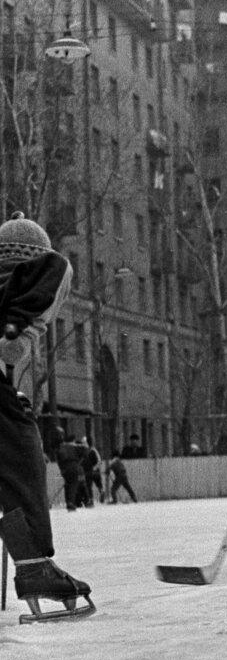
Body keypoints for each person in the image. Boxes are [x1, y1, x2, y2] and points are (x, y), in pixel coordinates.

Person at [0, 211, 94, 622]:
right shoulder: (45, 271)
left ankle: (34, 563)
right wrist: (19, 326)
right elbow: (54, 268)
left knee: (17, 445)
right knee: (22, 458)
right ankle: (35, 567)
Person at [56, 434, 86, 511]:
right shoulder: (75, 447)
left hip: (65, 468)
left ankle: (68, 501)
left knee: (67, 484)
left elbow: (59, 460)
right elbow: (85, 452)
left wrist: (62, 469)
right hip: (74, 466)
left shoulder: (61, 448)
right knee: (74, 484)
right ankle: (71, 502)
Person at [80, 436, 104, 504]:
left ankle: (99, 494)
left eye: (84, 442)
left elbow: (99, 461)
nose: (83, 444)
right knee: (89, 486)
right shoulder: (83, 451)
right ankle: (91, 499)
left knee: (94, 484)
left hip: (93, 471)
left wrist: (94, 468)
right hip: (88, 471)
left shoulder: (93, 450)